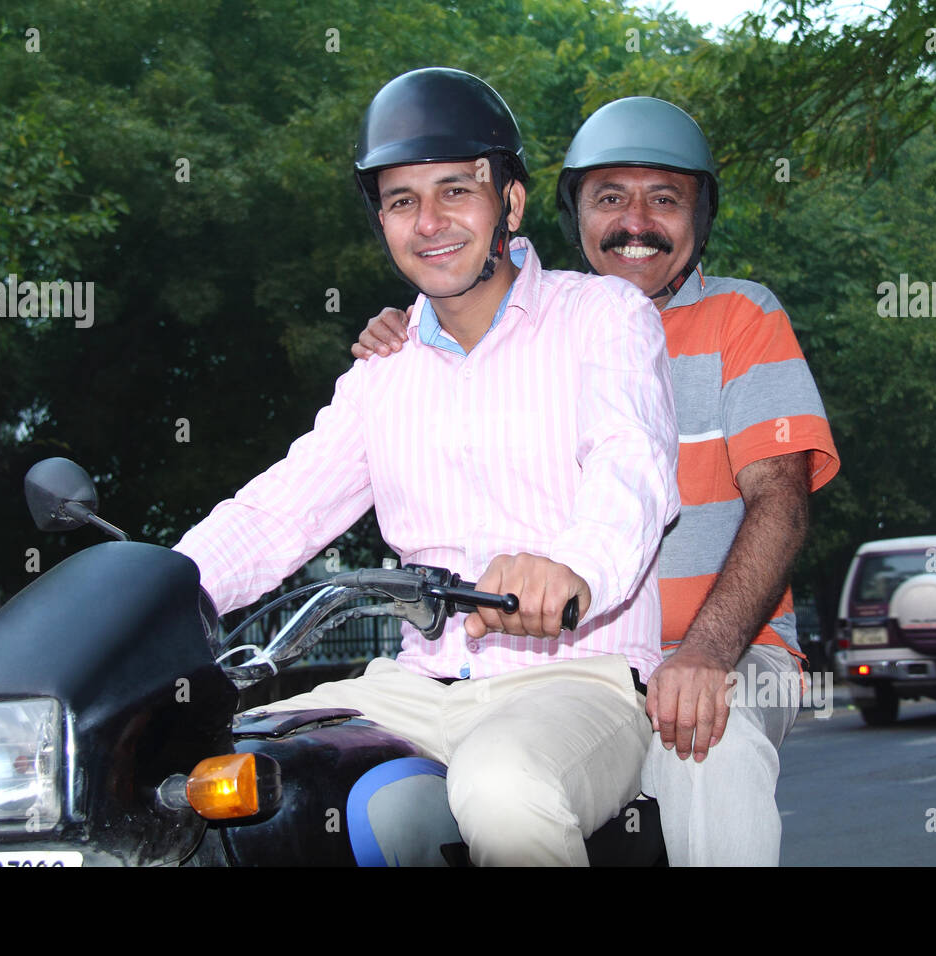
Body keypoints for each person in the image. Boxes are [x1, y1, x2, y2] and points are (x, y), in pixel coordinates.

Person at [174, 70, 679, 866]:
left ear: (508, 202)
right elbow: (280, 511)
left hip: (579, 683)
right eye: (403, 200)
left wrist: (572, 568)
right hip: (413, 687)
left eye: (456, 190)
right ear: (382, 220)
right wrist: (157, 592)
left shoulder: (605, 315)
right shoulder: (384, 367)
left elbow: (633, 466)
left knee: (503, 790)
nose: (431, 221)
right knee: (231, 774)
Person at [352, 96, 840, 865]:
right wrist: (415, 330)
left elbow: (780, 502)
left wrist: (708, 654)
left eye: (665, 200)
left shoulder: (742, 318)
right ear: (571, 214)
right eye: (610, 197)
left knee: (704, 749)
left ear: (700, 217)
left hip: (721, 644)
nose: (636, 222)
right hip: (571, 658)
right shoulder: (548, 326)